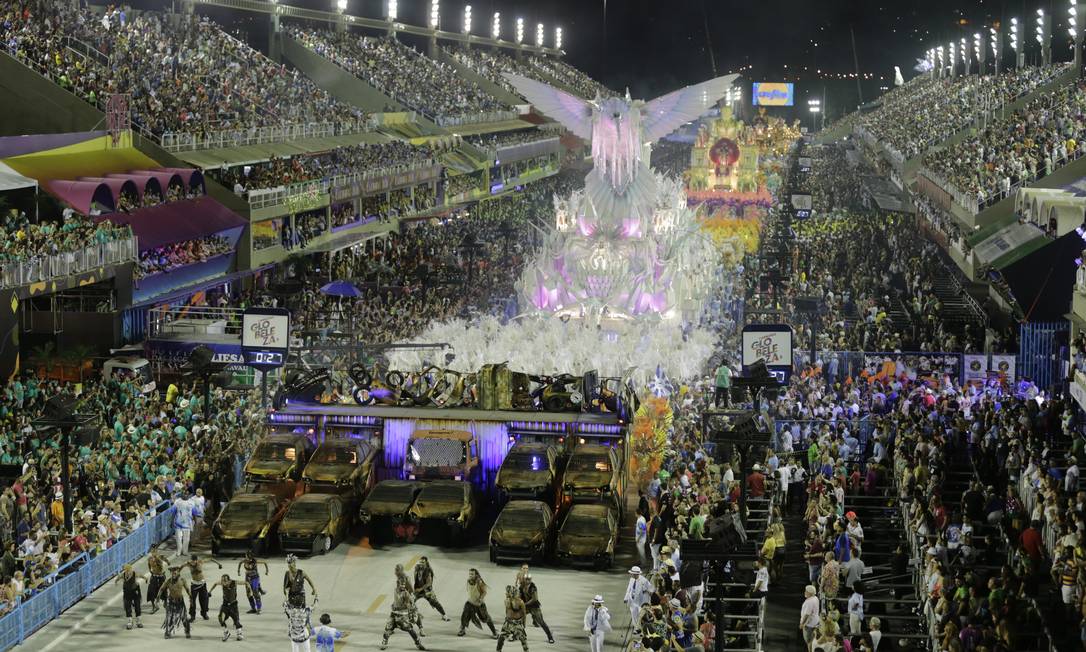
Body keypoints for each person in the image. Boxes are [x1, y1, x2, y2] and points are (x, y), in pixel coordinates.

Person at [382, 579, 426, 650]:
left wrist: (409, 610)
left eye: (404, 585)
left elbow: (407, 605)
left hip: (402, 616)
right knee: (388, 628)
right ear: (398, 585)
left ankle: (418, 644)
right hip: (394, 614)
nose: (403, 586)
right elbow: (397, 601)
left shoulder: (406, 594)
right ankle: (384, 643)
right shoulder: (396, 590)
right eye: (401, 584)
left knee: (410, 629)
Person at [458, 568, 497, 638]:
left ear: (476, 574)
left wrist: (480, 599)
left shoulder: (479, 582)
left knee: (486, 618)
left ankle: (494, 632)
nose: (470, 575)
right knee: (464, 616)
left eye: (472, 574)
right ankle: (462, 629)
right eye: (469, 574)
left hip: (479, 604)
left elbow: (484, 592)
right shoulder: (469, 580)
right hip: (470, 602)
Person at [518, 571, 554, 644]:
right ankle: (517, 634)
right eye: (526, 579)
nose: (528, 580)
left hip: (534, 607)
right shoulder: (521, 586)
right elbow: (519, 596)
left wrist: (524, 604)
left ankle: (550, 636)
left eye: (529, 579)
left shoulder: (533, 587)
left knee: (541, 622)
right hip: (526, 606)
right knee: (517, 618)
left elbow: (535, 599)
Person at [184, 554, 223, 621]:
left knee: (204, 600)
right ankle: (192, 616)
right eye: (192, 561)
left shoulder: (200, 562)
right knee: (192, 601)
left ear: (196, 560)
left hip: (202, 584)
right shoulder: (188, 564)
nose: (193, 562)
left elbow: (211, 559)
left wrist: (219, 564)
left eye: (194, 561)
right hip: (194, 584)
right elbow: (180, 567)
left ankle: (204, 613)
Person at [413, 556, 450, 621]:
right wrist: (416, 588)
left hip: (427, 590)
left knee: (435, 602)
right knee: (410, 601)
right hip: (418, 590)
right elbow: (416, 578)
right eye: (420, 562)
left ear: (426, 562)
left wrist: (420, 589)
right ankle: (416, 614)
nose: (421, 563)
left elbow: (429, 583)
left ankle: (444, 615)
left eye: (423, 562)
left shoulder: (428, 571)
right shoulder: (417, 568)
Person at [208, 573, 244, 641]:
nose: (223, 583)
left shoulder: (234, 582)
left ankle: (239, 634)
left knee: (236, 620)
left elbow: (246, 583)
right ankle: (226, 632)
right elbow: (215, 583)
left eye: (224, 581)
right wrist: (209, 592)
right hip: (225, 605)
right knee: (221, 618)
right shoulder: (222, 583)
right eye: (222, 581)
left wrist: (249, 589)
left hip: (233, 605)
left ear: (229, 580)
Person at [497, 584, 529, 652]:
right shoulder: (507, 601)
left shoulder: (520, 602)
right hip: (508, 622)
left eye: (507, 592)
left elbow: (524, 614)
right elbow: (507, 611)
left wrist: (524, 624)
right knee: (501, 638)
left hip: (517, 623)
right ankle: (498, 650)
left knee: (523, 639)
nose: (505, 593)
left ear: (511, 593)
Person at [161, 566, 191, 639]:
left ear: (178, 572)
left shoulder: (182, 580)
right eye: (172, 571)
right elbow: (161, 589)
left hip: (180, 602)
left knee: (184, 617)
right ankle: (168, 632)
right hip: (171, 602)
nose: (173, 572)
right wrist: (158, 599)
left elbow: (187, 589)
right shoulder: (168, 581)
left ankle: (187, 630)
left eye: (175, 571)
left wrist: (191, 598)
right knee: (169, 617)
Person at [114, 563, 146, 630]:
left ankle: (138, 621)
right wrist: (116, 581)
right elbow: (118, 577)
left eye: (128, 570)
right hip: (127, 592)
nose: (127, 571)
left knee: (137, 606)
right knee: (127, 606)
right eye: (126, 570)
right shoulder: (123, 575)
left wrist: (145, 578)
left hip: (135, 592)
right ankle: (130, 621)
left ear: (131, 569)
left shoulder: (135, 573)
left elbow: (141, 575)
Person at [624, 565, 652, 635]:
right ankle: (636, 628)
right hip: (632, 601)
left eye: (632, 574)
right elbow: (629, 589)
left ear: (636, 574)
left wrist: (646, 591)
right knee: (634, 615)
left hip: (641, 602)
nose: (631, 574)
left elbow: (651, 589)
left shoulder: (644, 581)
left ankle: (643, 630)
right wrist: (626, 598)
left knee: (641, 616)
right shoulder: (631, 579)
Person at [173, 491, 200, 557]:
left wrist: (196, 522)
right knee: (178, 538)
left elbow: (194, 513)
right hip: (178, 523)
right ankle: (179, 551)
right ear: (182, 494)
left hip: (187, 524)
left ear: (188, 495)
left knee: (187, 539)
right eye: (184, 494)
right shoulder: (177, 501)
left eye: (186, 494)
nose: (185, 495)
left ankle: (185, 551)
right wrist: (171, 521)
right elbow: (173, 512)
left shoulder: (192, 502)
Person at [146, 544, 169, 614]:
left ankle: (165, 603)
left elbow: (167, 562)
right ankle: (154, 606)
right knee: (151, 591)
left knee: (164, 590)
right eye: (152, 551)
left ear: (157, 551)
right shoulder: (149, 559)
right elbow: (149, 564)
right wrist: (150, 570)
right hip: (154, 576)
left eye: (155, 550)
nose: (153, 552)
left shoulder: (160, 557)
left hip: (161, 576)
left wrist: (164, 560)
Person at [799, 584, 820, 650]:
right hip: (815, 622)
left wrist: (802, 624)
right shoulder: (815, 598)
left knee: (809, 641)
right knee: (812, 640)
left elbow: (807, 615)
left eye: (806, 591)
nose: (805, 592)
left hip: (809, 625)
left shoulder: (809, 602)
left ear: (810, 593)